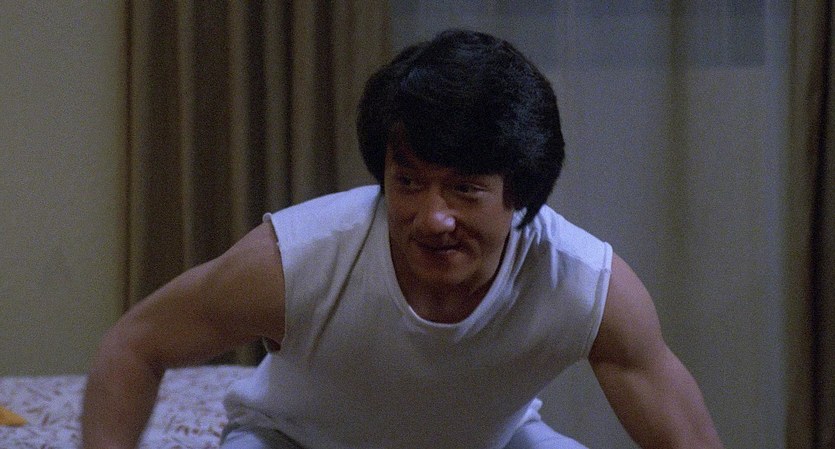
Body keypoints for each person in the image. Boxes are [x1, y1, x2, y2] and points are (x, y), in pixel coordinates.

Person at [82, 29, 723, 449]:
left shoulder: (583, 283)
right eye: (409, 182)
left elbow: (687, 437)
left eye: (464, 190)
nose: (432, 218)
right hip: (294, 441)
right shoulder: (296, 259)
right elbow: (136, 344)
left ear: (521, 193)